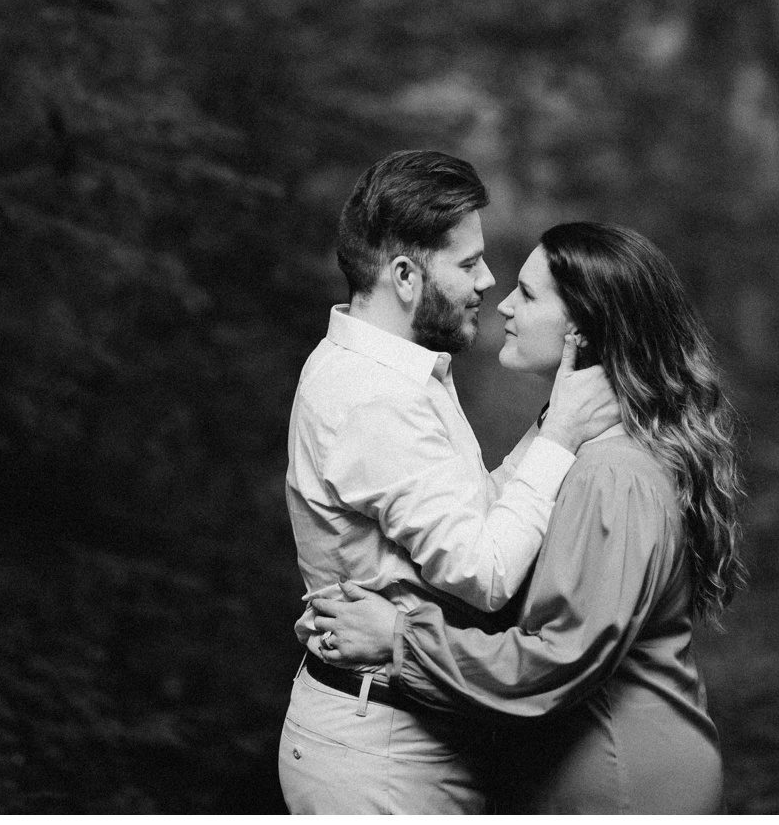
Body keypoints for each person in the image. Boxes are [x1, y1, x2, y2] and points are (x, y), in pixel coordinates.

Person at [310, 221, 745, 814]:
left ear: (581, 330)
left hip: (623, 779)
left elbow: (559, 657)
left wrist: (398, 640)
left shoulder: (611, 472)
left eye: (530, 295)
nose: (504, 304)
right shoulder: (586, 455)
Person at [278, 152, 621, 814]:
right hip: (378, 747)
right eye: (467, 264)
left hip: (404, 729)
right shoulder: (375, 398)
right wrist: (561, 437)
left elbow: (473, 522)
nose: (487, 281)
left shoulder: (396, 373)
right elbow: (485, 571)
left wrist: (556, 419)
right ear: (405, 275)